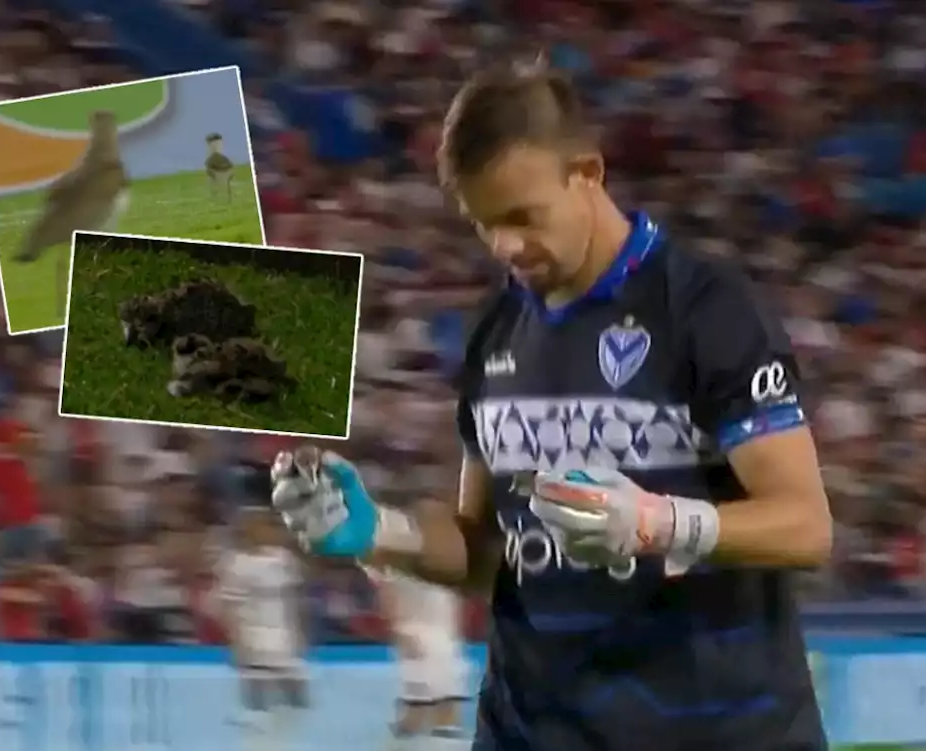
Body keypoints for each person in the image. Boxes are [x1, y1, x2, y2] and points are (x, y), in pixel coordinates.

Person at [272, 60, 833, 751]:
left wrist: (658, 522)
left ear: (588, 173)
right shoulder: (496, 331)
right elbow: (484, 551)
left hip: (716, 730)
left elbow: (806, 525)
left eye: (522, 217)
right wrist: (377, 530)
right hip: (534, 727)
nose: (506, 246)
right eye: (484, 224)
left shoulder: (707, 309)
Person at [217, 506, 309, 751]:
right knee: (257, 694)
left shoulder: (283, 559)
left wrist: (299, 633)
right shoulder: (235, 563)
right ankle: (256, 742)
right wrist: (237, 642)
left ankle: (288, 737)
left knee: (298, 694)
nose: (265, 530)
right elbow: (229, 607)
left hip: (284, 635)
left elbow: (293, 600)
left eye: (267, 525)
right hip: (253, 636)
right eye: (257, 525)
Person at [374, 568, 470, 750]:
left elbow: (388, 591)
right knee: (432, 665)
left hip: (426, 625)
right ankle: (430, 720)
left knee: (426, 665)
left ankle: (423, 719)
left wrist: (393, 620)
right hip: (430, 624)